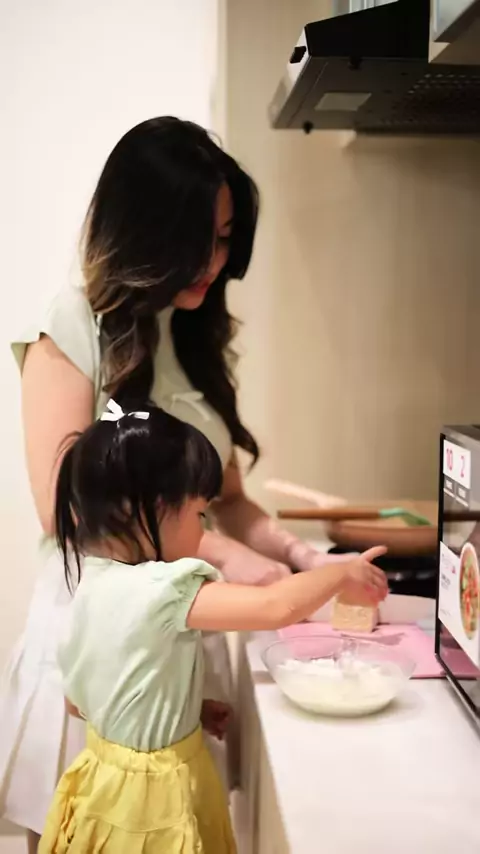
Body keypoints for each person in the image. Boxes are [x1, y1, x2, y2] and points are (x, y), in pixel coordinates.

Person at [0, 116, 357, 851]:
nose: (212, 262)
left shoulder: (194, 334)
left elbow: (229, 501)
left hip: (178, 645)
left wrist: (301, 557)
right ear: (146, 231)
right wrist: (224, 555)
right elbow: (68, 512)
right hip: (98, 650)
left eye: (224, 239)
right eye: (196, 240)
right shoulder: (72, 325)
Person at [38, 400, 387, 853]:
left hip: (104, 786)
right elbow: (274, 606)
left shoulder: (89, 586)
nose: (202, 532)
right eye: (198, 514)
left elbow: (81, 701)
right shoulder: (163, 589)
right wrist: (340, 573)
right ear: (146, 512)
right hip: (155, 801)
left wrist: (183, 707)